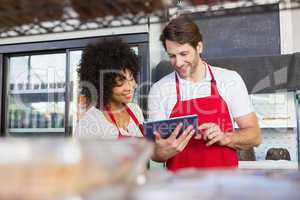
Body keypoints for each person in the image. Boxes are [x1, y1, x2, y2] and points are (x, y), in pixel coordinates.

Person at [148, 15, 261, 171]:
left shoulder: (229, 80)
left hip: (224, 188)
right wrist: (164, 150)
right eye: (172, 56)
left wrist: (225, 137)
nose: (178, 63)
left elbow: (254, 135)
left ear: (199, 47)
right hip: (179, 189)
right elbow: (155, 154)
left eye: (183, 54)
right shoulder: (159, 90)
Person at [74, 38, 144, 139]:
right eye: (120, 82)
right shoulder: (90, 122)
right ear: (104, 84)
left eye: (131, 78)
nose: (129, 87)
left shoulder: (135, 110)